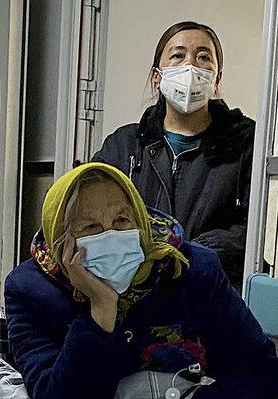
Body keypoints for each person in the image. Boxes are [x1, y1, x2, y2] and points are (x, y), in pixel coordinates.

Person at [4, 163, 278, 399]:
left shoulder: (191, 271)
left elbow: (262, 373)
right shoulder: (31, 289)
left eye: (122, 220)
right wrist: (100, 309)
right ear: (62, 238)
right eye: (90, 228)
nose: (111, 236)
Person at [93, 22, 254, 287]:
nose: (190, 66)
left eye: (203, 57)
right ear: (157, 77)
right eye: (178, 55)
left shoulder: (246, 144)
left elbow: (259, 229)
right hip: (135, 294)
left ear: (216, 80)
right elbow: (89, 214)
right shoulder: (124, 145)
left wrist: (188, 252)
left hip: (210, 296)